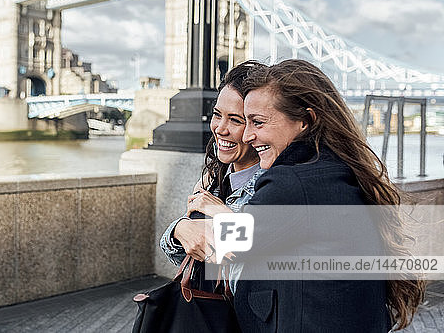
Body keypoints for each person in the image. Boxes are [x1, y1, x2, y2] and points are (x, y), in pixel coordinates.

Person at [215, 59, 424, 332]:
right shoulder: (338, 168)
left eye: (258, 122)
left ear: (306, 121)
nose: (248, 136)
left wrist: (192, 221)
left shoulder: (292, 182)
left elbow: (220, 245)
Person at [160, 61, 266, 268]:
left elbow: (263, 253)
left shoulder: (273, 183)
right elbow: (180, 254)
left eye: (235, 120)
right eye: (217, 115)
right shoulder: (215, 176)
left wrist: (222, 214)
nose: (220, 129)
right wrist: (179, 229)